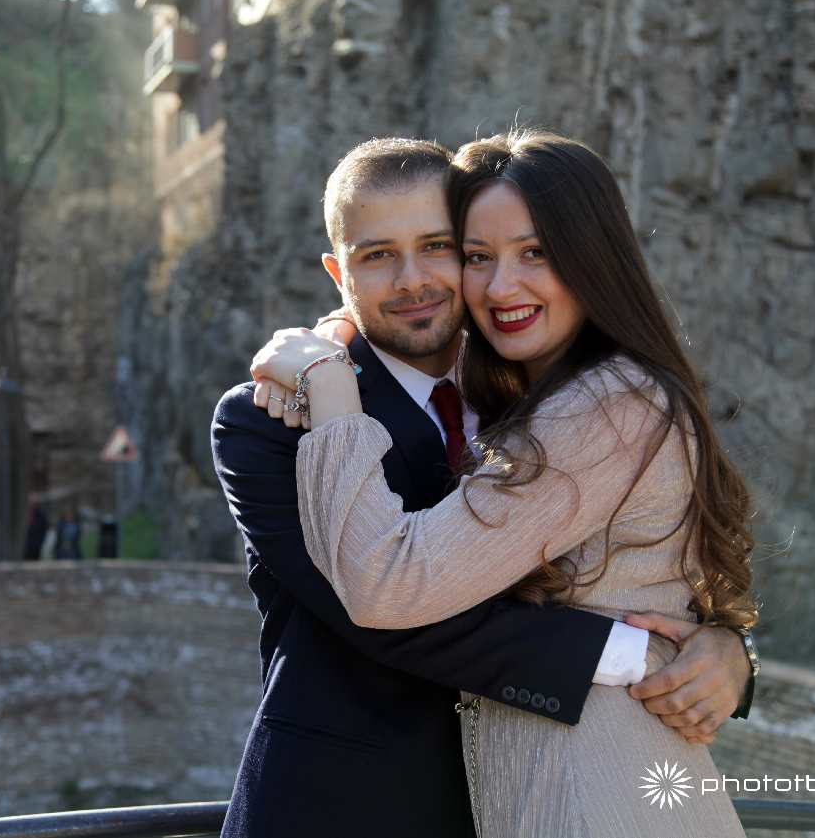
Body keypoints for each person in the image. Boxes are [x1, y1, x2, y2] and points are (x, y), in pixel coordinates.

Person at [213, 137, 754, 838]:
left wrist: (730, 650)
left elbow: (639, 564)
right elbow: (392, 619)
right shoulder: (271, 420)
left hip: (540, 800)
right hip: (343, 810)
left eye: (441, 247)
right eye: (378, 256)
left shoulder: (542, 400)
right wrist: (634, 653)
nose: (413, 280)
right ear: (337, 271)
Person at [24, 493, 49, 561]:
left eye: (33, 502)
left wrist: (40, 543)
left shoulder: (41, 515)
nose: (31, 504)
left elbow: (44, 529)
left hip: (36, 546)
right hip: (25, 546)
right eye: (30, 502)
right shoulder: (25, 513)